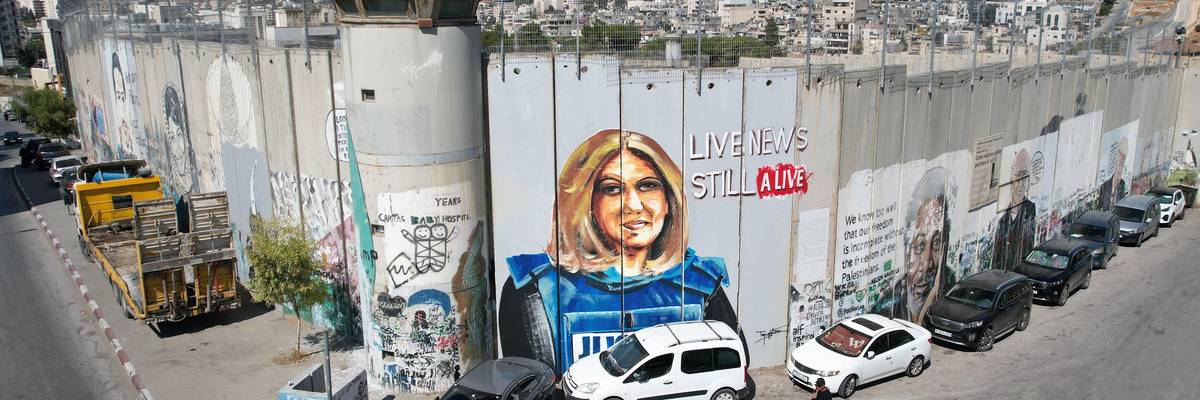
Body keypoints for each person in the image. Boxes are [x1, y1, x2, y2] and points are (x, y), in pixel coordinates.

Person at [498, 129, 738, 372]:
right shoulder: (537, 290)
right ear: (585, 202)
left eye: (648, 185)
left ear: (669, 200)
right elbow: (530, 387)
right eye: (612, 189)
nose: (633, 205)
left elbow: (733, 367)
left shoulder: (701, 283)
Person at [871, 167, 957, 323]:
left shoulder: (953, 289)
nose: (927, 263)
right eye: (920, 246)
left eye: (936, 243)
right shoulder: (884, 309)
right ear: (906, 247)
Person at [992, 149, 1037, 271]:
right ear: (1012, 178)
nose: (1022, 184)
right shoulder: (1003, 220)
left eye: (1025, 177)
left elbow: (1028, 245)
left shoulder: (1030, 209)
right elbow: (996, 258)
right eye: (1018, 176)